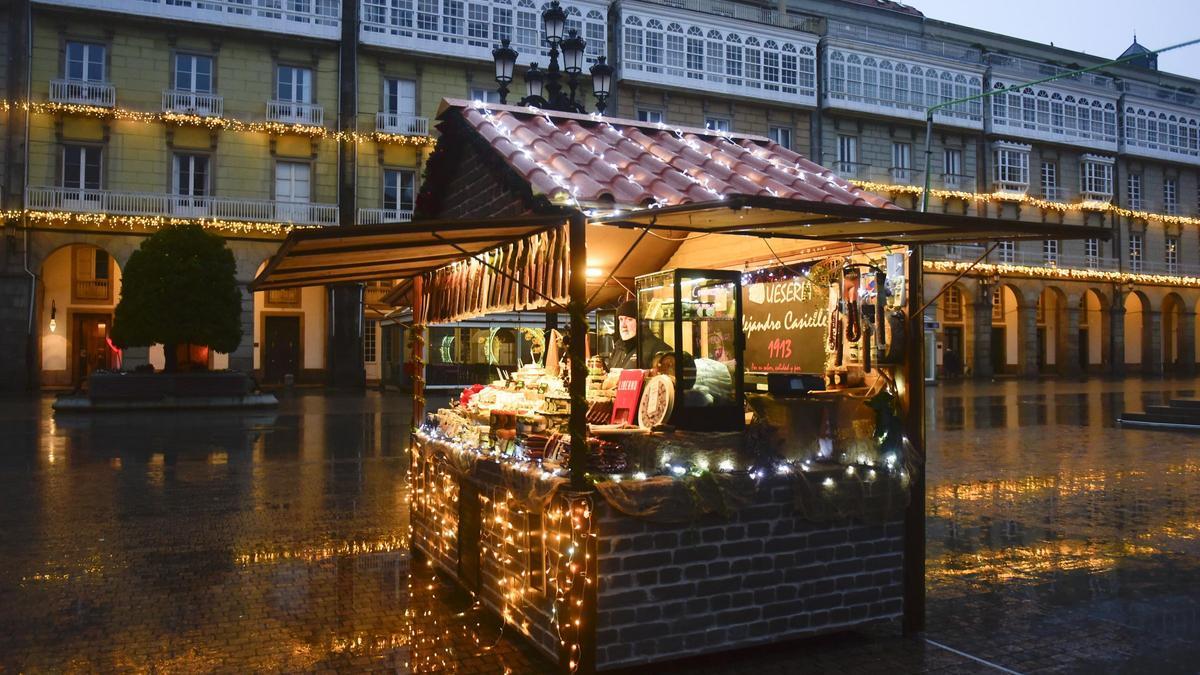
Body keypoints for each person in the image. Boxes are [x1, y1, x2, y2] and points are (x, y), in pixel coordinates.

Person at [607, 300, 670, 370]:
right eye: (621, 319)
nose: (623, 325)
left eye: (629, 319)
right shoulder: (618, 347)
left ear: (640, 323)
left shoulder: (658, 349)